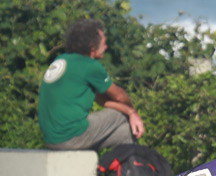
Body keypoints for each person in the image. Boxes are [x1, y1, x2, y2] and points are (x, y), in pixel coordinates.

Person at [38, 19, 144, 151]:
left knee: (128, 133)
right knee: (121, 116)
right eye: (104, 43)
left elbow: (102, 101)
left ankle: (119, 169)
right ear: (92, 47)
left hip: (52, 139)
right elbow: (120, 97)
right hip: (72, 135)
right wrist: (132, 112)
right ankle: (128, 169)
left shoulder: (62, 59)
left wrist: (130, 112)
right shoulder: (89, 66)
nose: (106, 47)